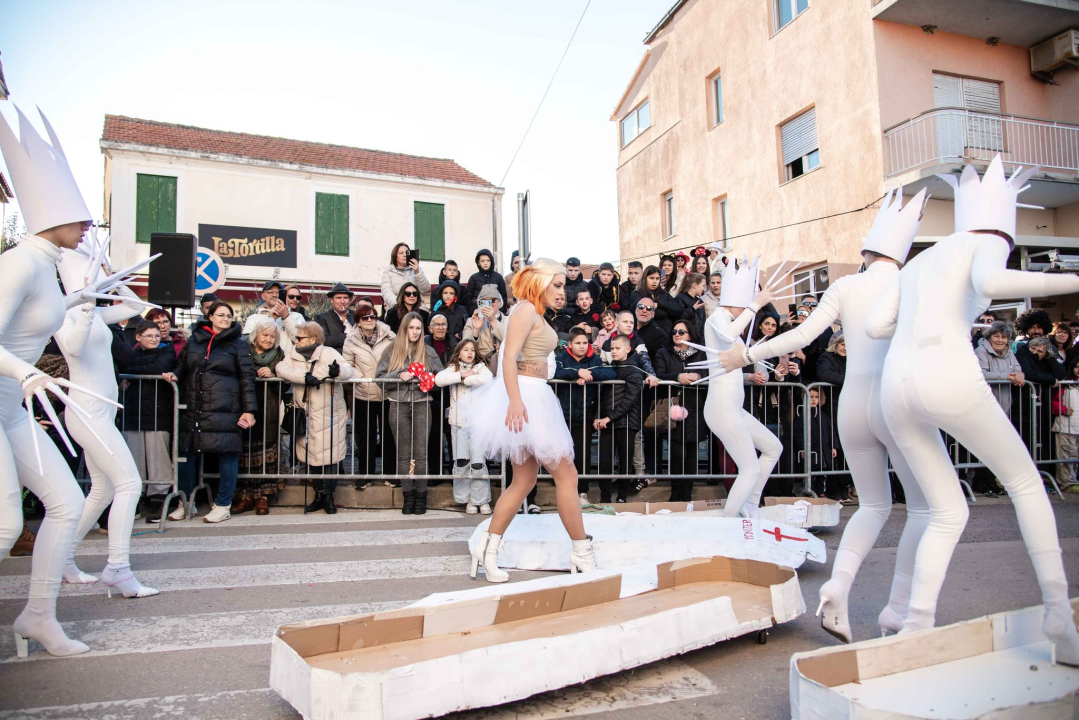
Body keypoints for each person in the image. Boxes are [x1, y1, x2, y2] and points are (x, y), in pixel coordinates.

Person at [866, 158, 1079, 659]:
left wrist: (926, 318)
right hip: (948, 374)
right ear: (1002, 227)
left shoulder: (919, 261)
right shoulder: (987, 242)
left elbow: (877, 327)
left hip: (897, 385)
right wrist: (1066, 280)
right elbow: (994, 283)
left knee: (946, 510)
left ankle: (914, 620)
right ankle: (1057, 613)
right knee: (1026, 483)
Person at [719, 189, 930, 642]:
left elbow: (802, 332)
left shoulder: (846, 285)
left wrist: (746, 354)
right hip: (895, 401)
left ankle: (839, 587)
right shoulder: (911, 283)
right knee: (925, 508)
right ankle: (904, 611)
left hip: (852, 405)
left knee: (874, 505)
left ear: (867, 253)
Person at [466, 259, 598, 582]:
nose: (562, 292)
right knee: (566, 474)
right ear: (538, 283)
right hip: (526, 396)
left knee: (523, 481)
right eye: (555, 285)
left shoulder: (534, 313)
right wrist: (514, 400)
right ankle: (582, 552)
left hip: (534, 394)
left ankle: (488, 549)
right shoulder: (525, 310)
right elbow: (508, 356)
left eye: (562, 286)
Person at [54, 250, 160, 599]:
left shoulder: (98, 313)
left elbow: (133, 308)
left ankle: (64, 560)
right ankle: (117, 567)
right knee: (129, 483)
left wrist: (112, 279)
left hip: (98, 411)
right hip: (87, 410)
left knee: (103, 491)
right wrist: (85, 303)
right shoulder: (64, 313)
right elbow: (71, 346)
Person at [164, 301, 258, 525]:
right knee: (187, 454)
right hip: (195, 406)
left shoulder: (238, 344)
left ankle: (223, 505)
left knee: (227, 454)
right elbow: (182, 366)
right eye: (221, 315)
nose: (226, 319)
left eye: (229, 316)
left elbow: (247, 378)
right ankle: (185, 503)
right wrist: (174, 375)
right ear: (210, 317)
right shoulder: (194, 341)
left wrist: (249, 410)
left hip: (225, 407)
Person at [275, 322, 355, 514]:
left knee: (330, 457)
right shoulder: (293, 354)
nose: (296, 341)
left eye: (300, 338)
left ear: (313, 339)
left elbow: (349, 370)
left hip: (329, 413)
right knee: (312, 457)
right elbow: (281, 369)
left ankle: (329, 496)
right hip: (307, 414)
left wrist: (338, 372)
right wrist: (304, 377)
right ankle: (318, 495)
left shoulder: (328, 353)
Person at [376, 312, 445, 514]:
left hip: (422, 404)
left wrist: (428, 379)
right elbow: (379, 379)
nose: (414, 332)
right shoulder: (391, 351)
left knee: (421, 453)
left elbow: (440, 380)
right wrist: (398, 375)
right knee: (403, 454)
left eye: (418, 328)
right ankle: (408, 496)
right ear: (404, 329)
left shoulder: (429, 352)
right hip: (398, 404)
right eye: (411, 328)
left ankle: (421, 496)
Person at [114, 321, 177, 520]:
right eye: (149, 336)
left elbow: (159, 367)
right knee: (135, 458)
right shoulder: (133, 354)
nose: (154, 339)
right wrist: (141, 370)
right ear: (138, 337)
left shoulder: (167, 351)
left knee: (158, 458)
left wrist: (133, 373)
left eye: (157, 336)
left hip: (157, 413)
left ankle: (159, 499)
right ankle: (137, 497)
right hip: (133, 413)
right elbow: (125, 365)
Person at [555, 327, 616, 494]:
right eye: (578, 343)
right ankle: (564, 489)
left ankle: (582, 491)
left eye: (584, 343)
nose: (582, 346)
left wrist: (588, 375)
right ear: (569, 344)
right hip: (562, 416)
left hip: (584, 415)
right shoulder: (560, 358)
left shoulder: (594, 359)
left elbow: (609, 372)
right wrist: (576, 373)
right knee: (562, 454)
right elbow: (555, 371)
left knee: (583, 455)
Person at [435, 339, 493, 514]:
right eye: (466, 349)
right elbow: (439, 379)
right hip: (458, 423)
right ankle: (466, 498)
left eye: (472, 350)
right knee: (461, 461)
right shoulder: (454, 368)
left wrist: (468, 378)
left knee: (478, 462)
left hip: (477, 424)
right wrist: (461, 376)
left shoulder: (481, 367)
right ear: (459, 352)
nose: (469, 353)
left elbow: (487, 379)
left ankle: (481, 499)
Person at [343, 298, 396, 485]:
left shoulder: (390, 336)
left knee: (389, 436)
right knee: (365, 437)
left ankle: (391, 475)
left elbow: (397, 359)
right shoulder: (350, 341)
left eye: (372, 316)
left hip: (387, 393)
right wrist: (365, 376)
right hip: (363, 393)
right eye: (365, 318)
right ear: (357, 321)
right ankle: (365, 475)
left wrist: (385, 376)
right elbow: (347, 365)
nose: (369, 320)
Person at [654, 321, 709, 501]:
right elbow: (659, 374)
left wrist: (699, 376)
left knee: (692, 453)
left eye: (681, 332)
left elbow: (708, 372)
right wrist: (678, 377)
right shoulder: (664, 352)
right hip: (672, 406)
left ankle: (687, 492)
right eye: (674, 331)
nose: (676, 334)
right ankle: (676, 491)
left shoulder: (701, 354)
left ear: (690, 335)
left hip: (695, 406)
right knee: (676, 453)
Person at [236, 318, 286, 515]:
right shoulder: (242, 350)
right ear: (256, 335)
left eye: (272, 336)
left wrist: (273, 375)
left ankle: (263, 497)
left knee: (265, 449)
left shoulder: (279, 355)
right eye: (265, 335)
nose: (268, 339)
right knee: (244, 451)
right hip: (244, 405)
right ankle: (244, 496)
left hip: (268, 407)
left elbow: (285, 384)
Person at [594, 335, 645, 503]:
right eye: (612, 349)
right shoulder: (609, 369)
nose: (614, 351)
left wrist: (608, 417)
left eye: (617, 348)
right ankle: (605, 497)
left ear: (627, 349)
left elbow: (630, 400)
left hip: (627, 423)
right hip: (607, 422)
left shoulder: (635, 371)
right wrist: (598, 417)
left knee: (625, 462)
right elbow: (601, 396)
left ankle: (622, 496)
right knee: (605, 463)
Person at [974, 321, 1024, 415]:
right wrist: (1007, 376)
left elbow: (1017, 369)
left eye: (1004, 337)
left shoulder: (1009, 352)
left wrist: (1020, 374)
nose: (1000, 340)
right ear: (989, 337)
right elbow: (981, 374)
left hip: (1006, 403)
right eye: (996, 336)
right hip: (986, 403)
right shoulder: (980, 351)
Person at [242, 288, 303, 356]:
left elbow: (302, 341)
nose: (274, 295)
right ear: (263, 296)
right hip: (260, 362)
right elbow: (246, 342)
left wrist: (286, 317)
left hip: (287, 362)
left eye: (277, 292)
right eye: (270, 292)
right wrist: (270, 319)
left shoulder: (297, 316)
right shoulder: (253, 318)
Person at [461, 284, 505, 371]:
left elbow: (511, 340)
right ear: (479, 303)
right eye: (484, 301)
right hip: (480, 367)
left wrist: (493, 320)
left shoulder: (508, 320)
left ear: (499, 302)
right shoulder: (471, 321)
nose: (489, 304)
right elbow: (465, 348)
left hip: (503, 365)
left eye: (492, 300)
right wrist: (476, 330)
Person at [1052, 355, 1079, 494]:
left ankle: (1074, 479)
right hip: (1066, 426)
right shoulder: (1066, 384)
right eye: (1077, 367)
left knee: (1075, 456)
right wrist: (1062, 409)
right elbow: (1054, 402)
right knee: (1066, 456)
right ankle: (1067, 482)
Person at [381, 242, 431, 314]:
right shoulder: (388, 272)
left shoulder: (417, 269)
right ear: (395, 256)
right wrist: (399, 305)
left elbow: (426, 289)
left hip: (418, 309)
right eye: (401, 253)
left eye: (407, 252)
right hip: (397, 310)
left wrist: (417, 272)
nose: (404, 255)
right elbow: (387, 292)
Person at [631, 265, 674, 335]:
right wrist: (665, 313)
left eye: (657, 279)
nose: (654, 281)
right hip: (645, 333)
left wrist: (659, 304)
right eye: (651, 278)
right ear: (645, 278)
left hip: (665, 334)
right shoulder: (636, 294)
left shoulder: (664, 294)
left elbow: (677, 309)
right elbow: (642, 311)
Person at [315, 282, 353, 351]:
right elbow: (324, 340)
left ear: (350, 300)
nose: (342, 301)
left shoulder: (357, 316)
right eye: (338, 298)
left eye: (345, 298)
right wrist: (348, 336)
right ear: (331, 300)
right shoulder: (323, 318)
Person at [673, 272, 707, 338]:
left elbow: (703, 326)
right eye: (703, 285)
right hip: (684, 339)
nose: (704, 289)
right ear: (695, 285)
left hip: (698, 341)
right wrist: (692, 309)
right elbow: (678, 319)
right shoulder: (680, 299)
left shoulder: (700, 302)